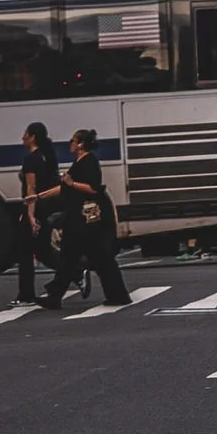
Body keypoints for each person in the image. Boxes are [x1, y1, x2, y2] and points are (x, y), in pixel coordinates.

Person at [45, 129, 131, 310]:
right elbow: (63, 187)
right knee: (77, 257)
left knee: (89, 257)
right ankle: (55, 295)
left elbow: (93, 188)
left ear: (81, 144)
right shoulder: (80, 161)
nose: (70, 144)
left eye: (73, 141)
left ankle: (56, 295)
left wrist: (72, 183)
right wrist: (39, 196)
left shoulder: (89, 161)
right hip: (79, 218)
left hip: (85, 219)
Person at [17, 123, 65, 305]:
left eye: (25, 134)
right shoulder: (47, 156)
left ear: (32, 137)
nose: (22, 137)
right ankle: (74, 272)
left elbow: (31, 188)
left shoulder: (31, 159)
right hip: (46, 206)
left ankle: (25, 294)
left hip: (35, 207)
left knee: (25, 252)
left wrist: (29, 215)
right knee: (43, 250)